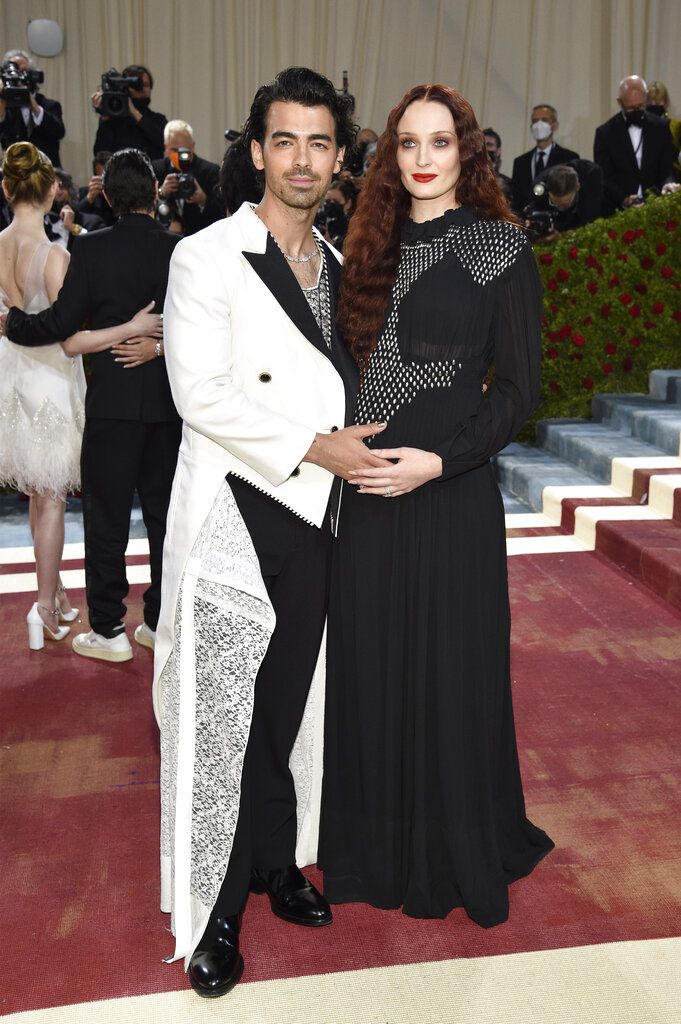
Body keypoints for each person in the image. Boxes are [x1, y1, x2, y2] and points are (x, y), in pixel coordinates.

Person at [153, 66, 387, 999]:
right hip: (237, 513)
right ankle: (212, 912)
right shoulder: (205, 256)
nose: (301, 159)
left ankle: (275, 861)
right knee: (221, 721)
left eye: (319, 142)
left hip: (316, 518)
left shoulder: (336, 265)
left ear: (338, 157)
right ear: (256, 153)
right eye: (283, 140)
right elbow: (198, 394)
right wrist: (313, 446)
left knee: (286, 711)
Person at [319, 83, 554, 926]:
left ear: (467, 153)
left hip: (448, 495)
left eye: (439, 143)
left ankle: (453, 848)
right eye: (407, 144)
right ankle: (376, 852)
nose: (422, 160)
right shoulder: (363, 249)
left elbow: (517, 390)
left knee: (451, 674)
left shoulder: (498, 248)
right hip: (368, 495)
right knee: (372, 668)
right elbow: (348, 372)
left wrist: (439, 461)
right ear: (391, 155)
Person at [3, 148, 180, 663]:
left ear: (105, 194)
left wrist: (13, 324)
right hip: (169, 407)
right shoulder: (179, 250)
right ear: (152, 192)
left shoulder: (93, 251)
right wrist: (161, 345)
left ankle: (108, 630)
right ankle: (156, 621)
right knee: (165, 520)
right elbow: (204, 327)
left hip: (111, 405)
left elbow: (61, 327)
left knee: (106, 521)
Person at [594, 76, 679, 215]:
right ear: (620, 102)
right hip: (618, 211)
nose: (637, 111)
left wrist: (668, 184)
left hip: (656, 207)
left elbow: (666, 168)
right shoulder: (605, 133)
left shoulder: (661, 126)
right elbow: (604, 177)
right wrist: (624, 199)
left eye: (640, 106)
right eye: (631, 108)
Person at [152, 119, 222, 235]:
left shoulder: (210, 171)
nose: (179, 155)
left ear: (193, 147)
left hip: (200, 241)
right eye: (174, 150)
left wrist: (204, 200)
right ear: (165, 147)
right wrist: (161, 193)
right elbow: (142, 210)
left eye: (184, 150)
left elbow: (221, 215)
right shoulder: (154, 170)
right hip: (163, 242)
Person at [0, 50, 65, 167]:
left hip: (46, 171)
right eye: (14, 73)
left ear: (32, 75)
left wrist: (33, 105)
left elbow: (59, 132)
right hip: (17, 172)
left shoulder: (50, 105)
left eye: (23, 72)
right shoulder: (6, 109)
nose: (18, 78)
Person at [512, 103, 579, 213]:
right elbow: (518, 198)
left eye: (544, 120)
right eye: (535, 121)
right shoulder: (520, 162)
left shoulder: (569, 158)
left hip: (558, 223)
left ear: (555, 125)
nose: (539, 125)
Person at [92, 65, 166, 161]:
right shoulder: (113, 122)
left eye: (146, 85)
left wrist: (134, 112)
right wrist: (105, 114)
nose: (142, 88)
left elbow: (162, 143)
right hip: (120, 173)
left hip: (151, 173)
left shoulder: (158, 119)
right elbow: (100, 153)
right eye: (137, 85)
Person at [529, 160, 604, 238]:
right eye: (555, 202)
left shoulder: (592, 177)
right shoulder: (538, 188)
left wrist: (566, 235)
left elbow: (591, 220)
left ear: (577, 187)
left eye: (565, 203)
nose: (560, 206)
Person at [45, 168, 106, 249]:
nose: (59, 192)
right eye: (52, 189)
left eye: (61, 185)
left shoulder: (92, 222)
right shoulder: (41, 229)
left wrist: (73, 227)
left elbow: (100, 247)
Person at [76, 151, 116, 228]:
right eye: (102, 178)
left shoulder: (122, 195)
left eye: (109, 177)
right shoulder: (84, 193)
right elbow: (75, 219)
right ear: (95, 177)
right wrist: (89, 199)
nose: (105, 182)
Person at [483, 127, 514, 207]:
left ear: (498, 151)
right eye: (482, 144)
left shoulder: (507, 183)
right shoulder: (467, 179)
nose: (485, 149)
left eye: (489, 145)